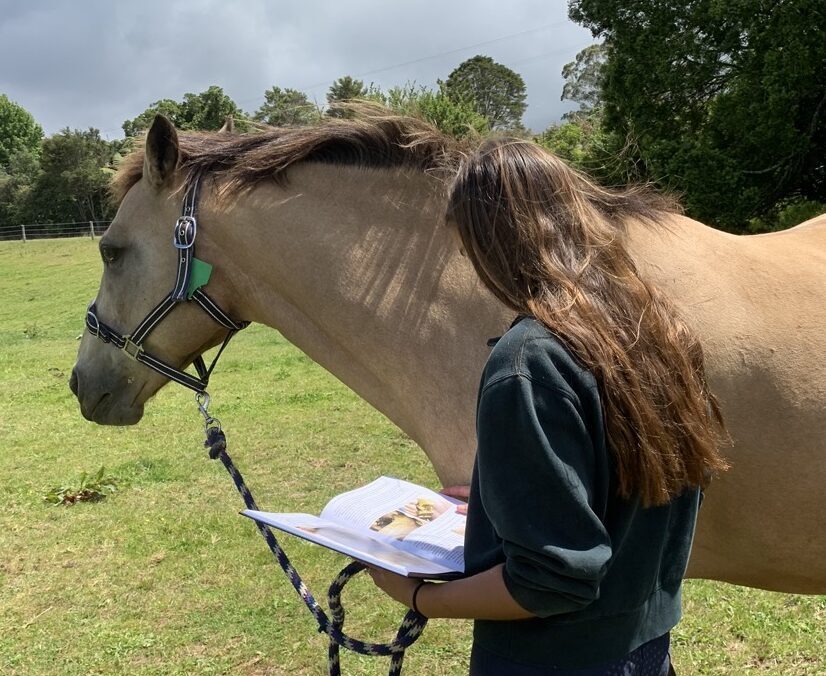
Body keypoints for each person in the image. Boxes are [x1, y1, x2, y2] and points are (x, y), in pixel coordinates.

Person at [366, 138, 729, 675]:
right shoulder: (657, 329)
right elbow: (639, 488)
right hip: (646, 649)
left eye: (466, 242)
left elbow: (551, 579)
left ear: (489, 242)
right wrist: (496, 501)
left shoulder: (529, 361)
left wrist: (422, 598)